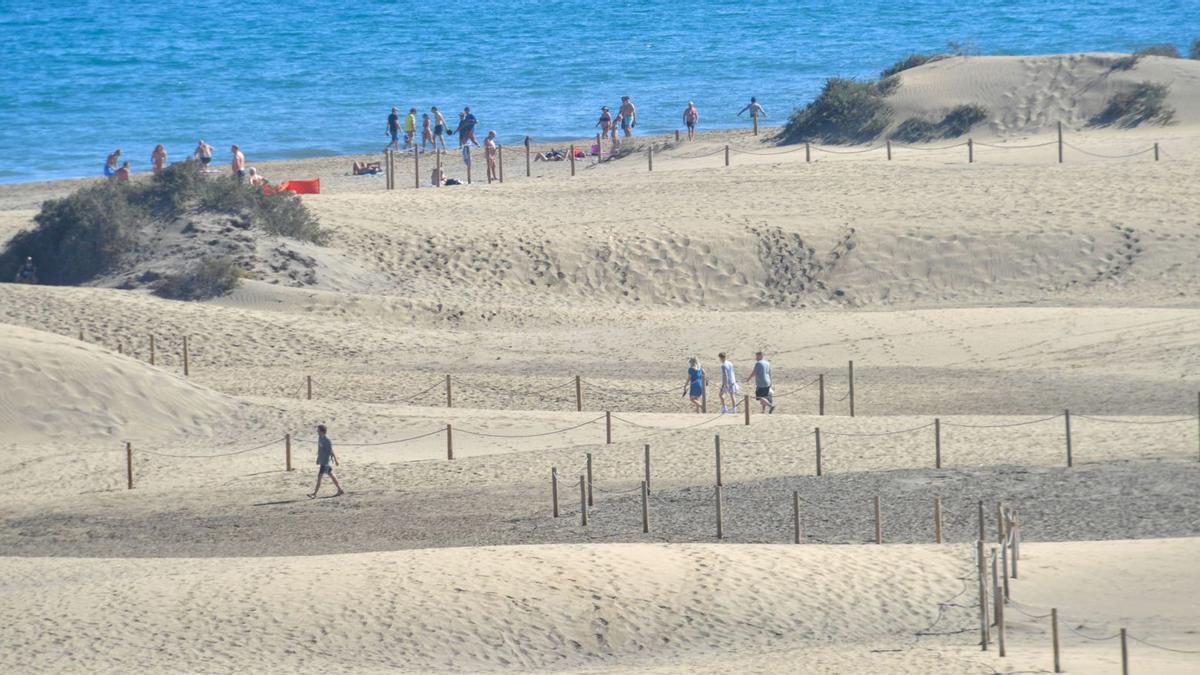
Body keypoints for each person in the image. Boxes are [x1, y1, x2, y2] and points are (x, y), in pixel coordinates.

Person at [309, 424, 345, 498]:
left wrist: (335, 460)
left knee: (319, 476)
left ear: (322, 431)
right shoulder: (320, 438)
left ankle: (314, 494)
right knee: (331, 475)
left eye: (318, 430)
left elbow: (331, 450)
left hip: (325, 461)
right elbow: (319, 448)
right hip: (322, 460)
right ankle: (340, 490)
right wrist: (318, 458)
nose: (317, 431)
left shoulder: (327, 440)